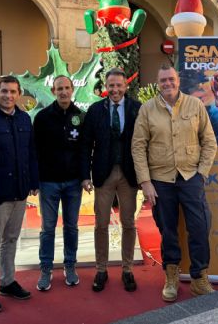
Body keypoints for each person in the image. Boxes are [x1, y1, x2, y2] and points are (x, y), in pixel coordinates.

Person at [132, 63, 217, 302]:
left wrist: (202, 173)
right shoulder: (147, 110)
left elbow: (209, 141)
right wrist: (145, 181)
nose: (167, 84)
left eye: (171, 79)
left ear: (178, 80)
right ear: (157, 84)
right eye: (163, 81)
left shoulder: (195, 105)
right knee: (167, 230)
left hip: (191, 177)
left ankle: (200, 278)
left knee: (199, 227)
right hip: (160, 180)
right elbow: (138, 146)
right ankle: (171, 277)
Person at [0, 75, 39, 313]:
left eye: (13, 92)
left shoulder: (24, 118)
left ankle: (7, 281)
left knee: (11, 239)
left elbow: (31, 153)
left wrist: (33, 181)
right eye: (4, 91)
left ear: (19, 93)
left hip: (20, 191)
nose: (8, 96)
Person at [80, 68, 141, 292]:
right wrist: (85, 175)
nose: (115, 89)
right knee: (101, 224)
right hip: (103, 174)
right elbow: (86, 144)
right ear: (106, 87)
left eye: (119, 85)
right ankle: (101, 269)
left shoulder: (137, 109)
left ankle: (127, 270)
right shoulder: (96, 110)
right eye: (111, 86)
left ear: (126, 86)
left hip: (129, 174)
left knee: (129, 223)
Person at [33, 75, 85, 291]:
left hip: (73, 183)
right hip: (49, 183)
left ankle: (70, 266)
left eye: (66, 88)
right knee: (48, 228)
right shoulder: (43, 117)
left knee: (71, 227)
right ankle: (46, 269)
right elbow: (34, 150)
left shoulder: (81, 117)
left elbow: (84, 150)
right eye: (59, 88)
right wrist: (35, 180)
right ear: (53, 91)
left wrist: (84, 176)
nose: (63, 92)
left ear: (72, 89)